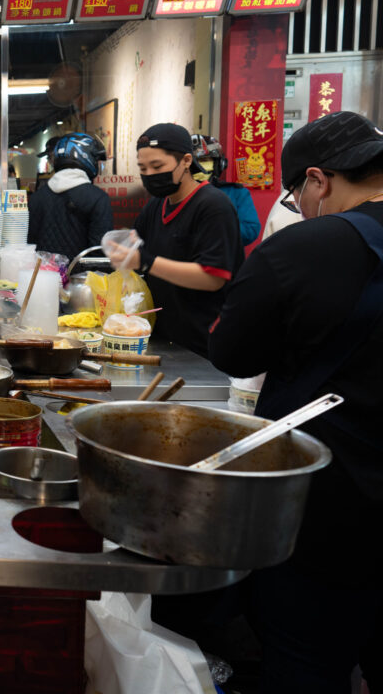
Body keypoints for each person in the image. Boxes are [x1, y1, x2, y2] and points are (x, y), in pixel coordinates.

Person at [208, 111, 383, 692]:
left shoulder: (308, 244)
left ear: (319, 180)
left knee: (307, 664)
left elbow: (232, 350)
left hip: (331, 507)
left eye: (294, 194)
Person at [104, 123, 242, 357]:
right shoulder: (157, 205)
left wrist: (146, 262)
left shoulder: (213, 206)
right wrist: (120, 249)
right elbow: (137, 245)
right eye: (143, 168)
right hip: (166, 338)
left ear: (186, 161)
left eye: (157, 166)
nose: (149, 175)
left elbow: (212, 277)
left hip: (204, 344)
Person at [27, 132, 113, 260]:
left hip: (41, 278)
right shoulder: (98, 198)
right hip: (83, 279)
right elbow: (100, 253)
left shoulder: (35, 198)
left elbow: (29, 247)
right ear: (86, 156)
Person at [191, 134, 260, 245]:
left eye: (206, 160)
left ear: (219, 164)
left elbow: (250, 230)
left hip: (225, 258)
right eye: (197, 161)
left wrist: (213, 228)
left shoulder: (236, 192)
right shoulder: (176, 194)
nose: (200, 166)